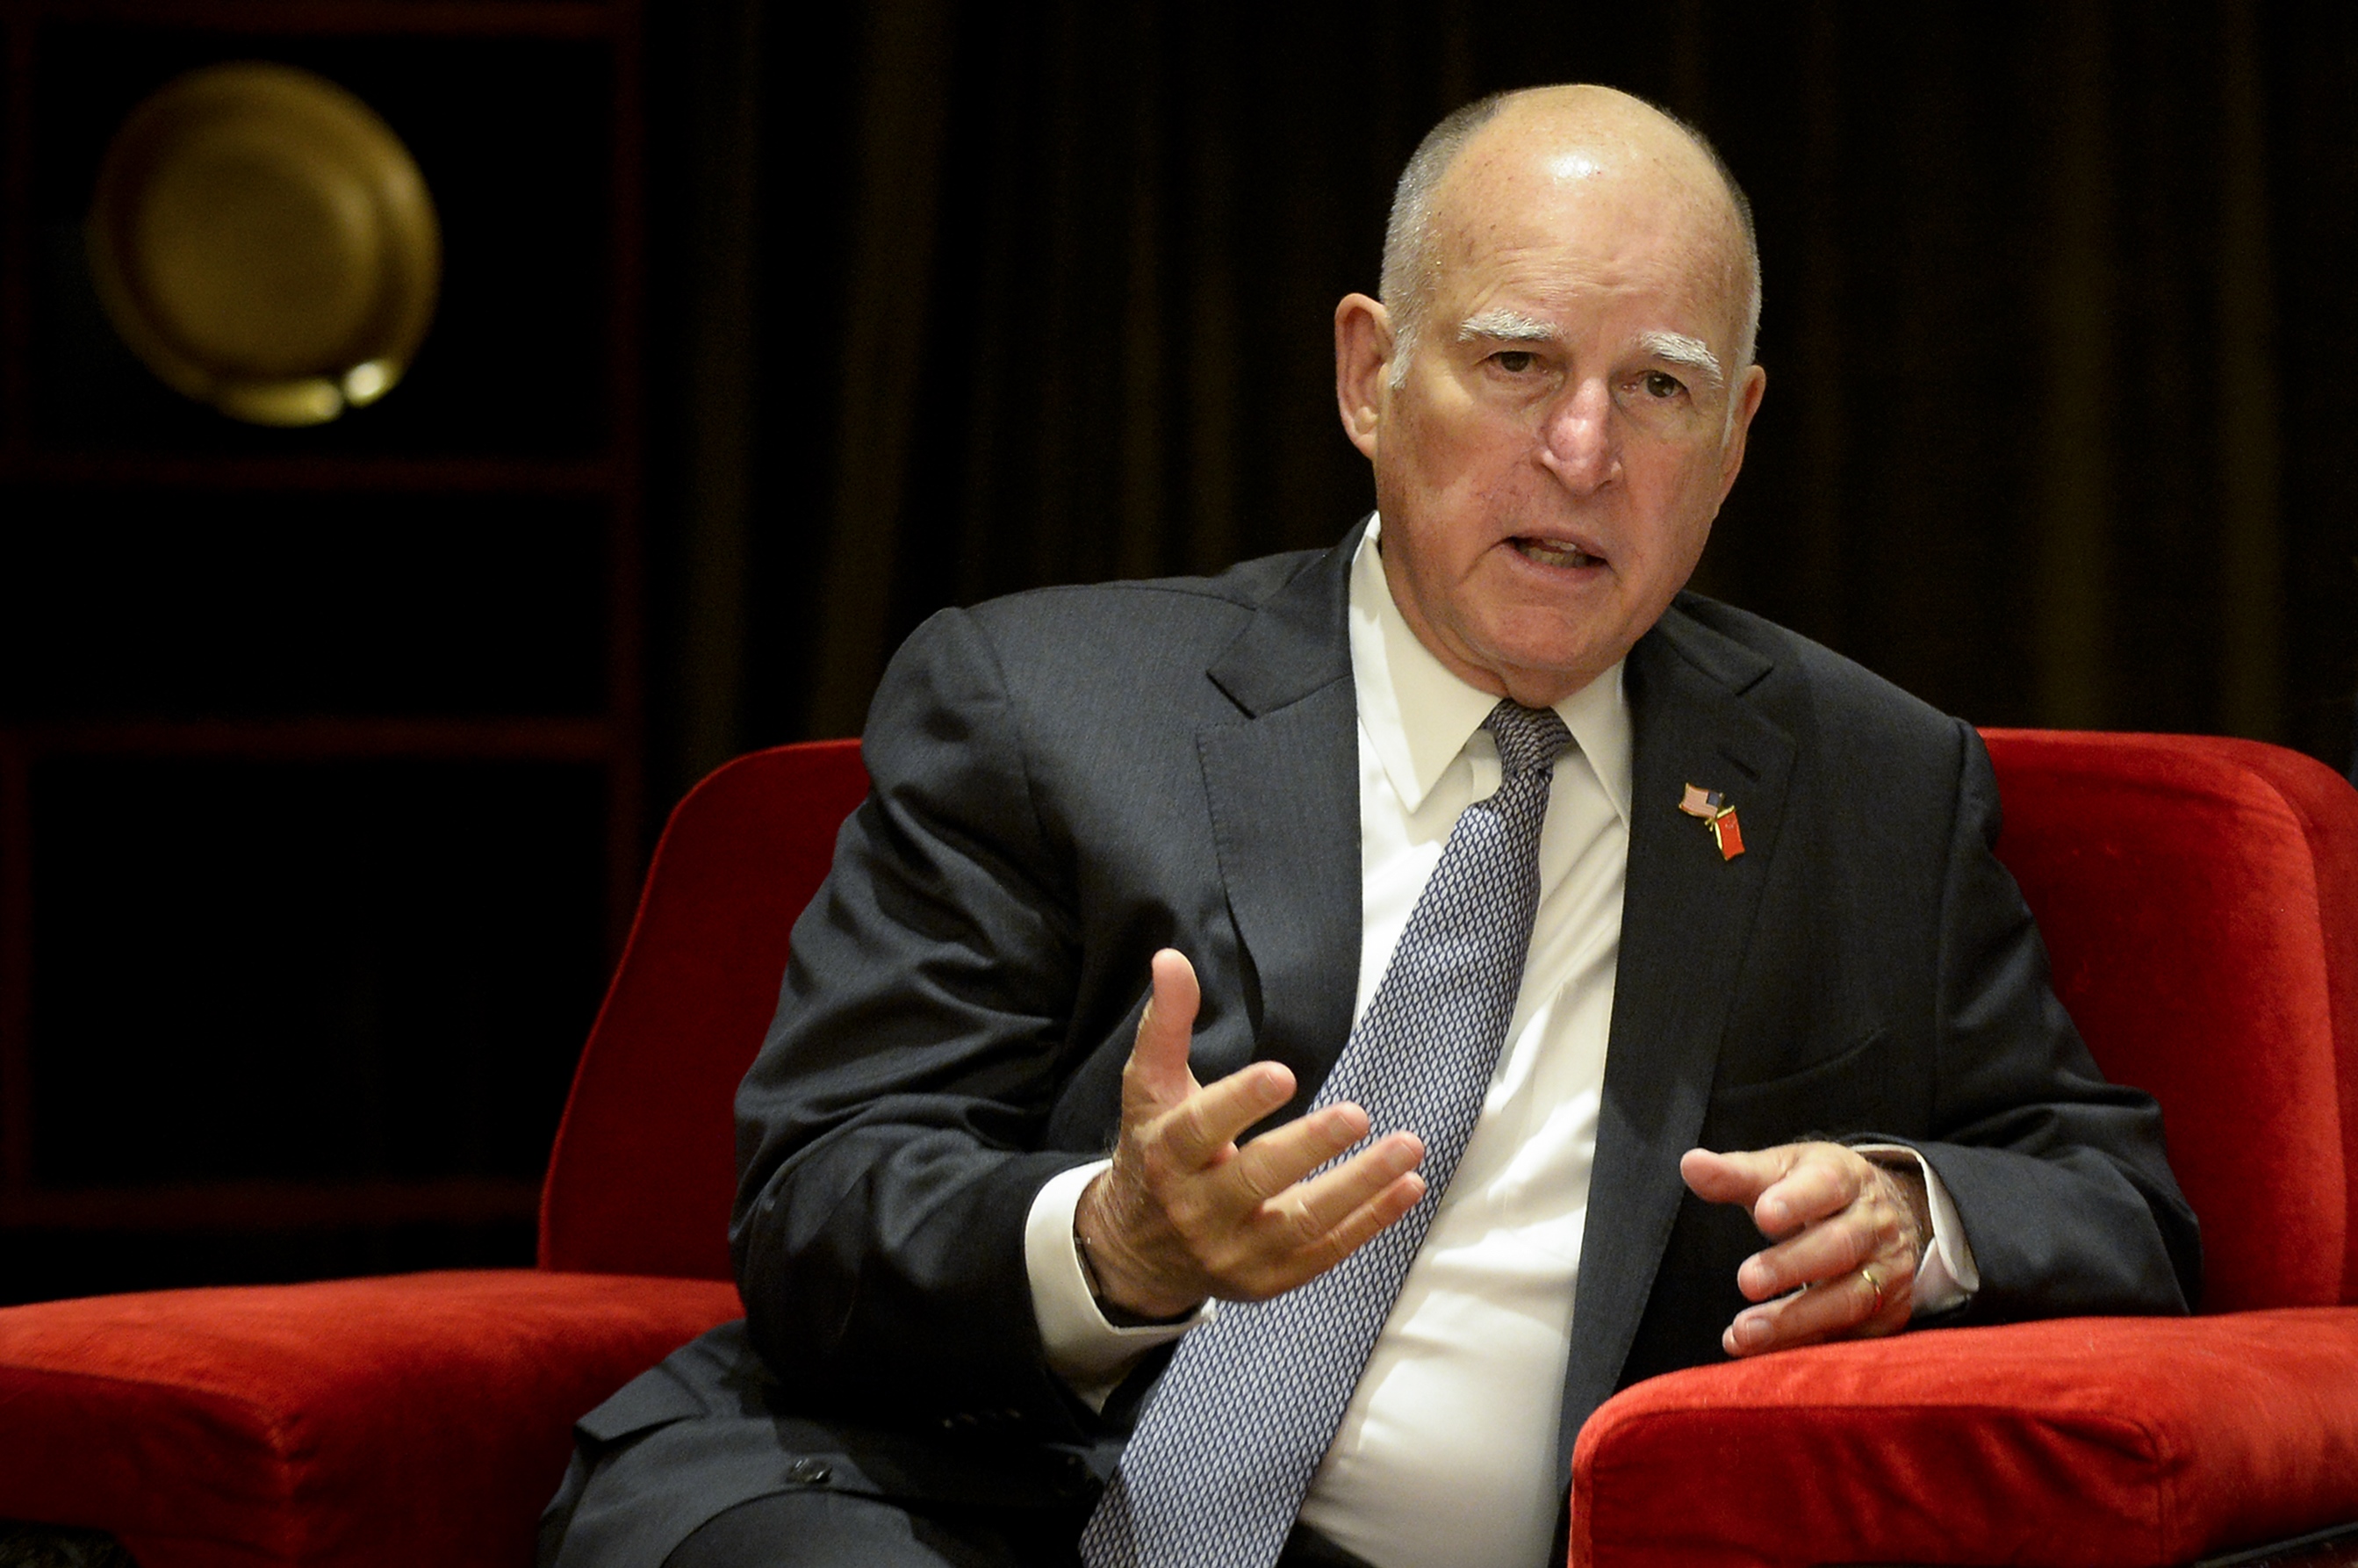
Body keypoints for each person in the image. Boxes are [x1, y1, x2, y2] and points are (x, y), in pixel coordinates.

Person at [539, 84, 2197, 1568]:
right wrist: (1111, 1241)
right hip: (936, 1498)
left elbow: (2111, 1196)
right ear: (1366, 375)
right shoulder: (1044, 705)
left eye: (1660, 388)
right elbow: (818, 1203)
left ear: (1737, 436)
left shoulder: (1871, 783)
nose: (1581, 450)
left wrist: (1914, 1214)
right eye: (1515, 361)